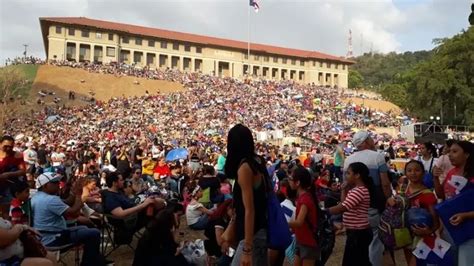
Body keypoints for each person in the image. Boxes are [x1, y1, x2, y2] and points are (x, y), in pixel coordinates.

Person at [30, 172, 109, 266]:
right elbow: (73, 211)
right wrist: (79, 193)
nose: (58, 184)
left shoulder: (37, 196)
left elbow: (67, 202)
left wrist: (73, 192)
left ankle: (96, 262)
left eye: (58, 181)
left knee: (86, 229)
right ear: (46, 185)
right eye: (55, 182)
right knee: (94, 233)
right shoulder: (50, 200)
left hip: (44, 236)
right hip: (54, 238)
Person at [343, 131, 391, 266]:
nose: (372, 140)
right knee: (375, 238)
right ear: (365, 141)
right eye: (370, 138)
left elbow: (345, 184)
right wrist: (388, 199)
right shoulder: (378, 157)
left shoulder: (348, 159)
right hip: (373, 201)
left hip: (353, 202)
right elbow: (385, 183)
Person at [224, 124, 268, 266]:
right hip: (259, 230)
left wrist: (247, 249)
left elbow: (249, 209)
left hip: (252, 235)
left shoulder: (244, 168)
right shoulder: (258, 161)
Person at [433, 140, 474, 265]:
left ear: (467, 154)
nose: (450, 155)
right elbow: (441, 195)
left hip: (469, 231)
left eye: (455, 151)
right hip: (450, 227)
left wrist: (465, 215)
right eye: (449, 151)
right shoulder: (451, 173)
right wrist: (435, 177)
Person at [391, 160, 439, 266]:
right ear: (405, 173)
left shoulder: (428, 195)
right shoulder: (402, 190)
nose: (413, 173)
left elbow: (436, 221)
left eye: (417, 170)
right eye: (409, 170)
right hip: (406, 235)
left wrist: (428, 231)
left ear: (423, 173)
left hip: (421, 237)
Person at [329, 162, 374, 266]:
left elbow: (343, 207)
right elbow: (344, 202)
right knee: (360, 260)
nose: (346, 176)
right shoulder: (357, 190)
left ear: (357, 175)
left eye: (348, 173)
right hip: (358, 232)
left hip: (358, 232)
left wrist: (325, 211)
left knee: (353, 261)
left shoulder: (358, 191)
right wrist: (344, 190)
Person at [288, 166, 319, 266]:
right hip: (301, 239)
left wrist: (282, 223)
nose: (289, 180)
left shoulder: (304, 199)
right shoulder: (303, 197)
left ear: (298, 183)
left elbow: (299, 222)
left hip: (308, 242)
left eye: (291, 179)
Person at [0, 135, 26, 219]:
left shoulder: (17, 156)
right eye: (5, 146)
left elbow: (22, 171)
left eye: (10, 147)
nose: (8, 148)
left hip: (9, 188)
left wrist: (8, 174)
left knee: (7, 211)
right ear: (0, 144)